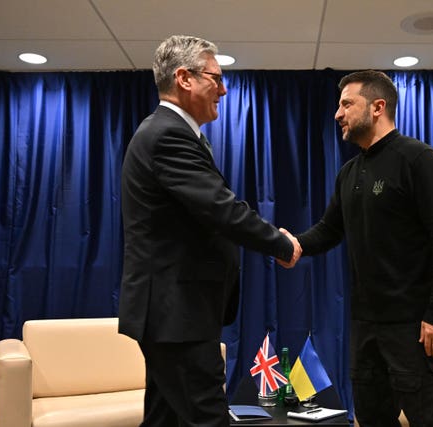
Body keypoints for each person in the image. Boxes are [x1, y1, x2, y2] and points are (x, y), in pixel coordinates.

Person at [119, 35, 301, 427]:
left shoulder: (172, 132)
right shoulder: (168, 133)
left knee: (164, 418)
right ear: (184, 78)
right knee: (208, 418)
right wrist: (280, 243)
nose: (223, 88)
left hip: (174, 313)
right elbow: (221, 208)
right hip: (175, 314)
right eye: (215, 78)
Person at [280, 70, 433, 427]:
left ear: (378, 107)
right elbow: (330, 229)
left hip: (413, 327)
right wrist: (295, 245)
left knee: (428, 419)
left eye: (347, 104)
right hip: (365, 325)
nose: (338, 114)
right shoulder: (350, 172)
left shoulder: (419, 160)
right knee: (371, 417)